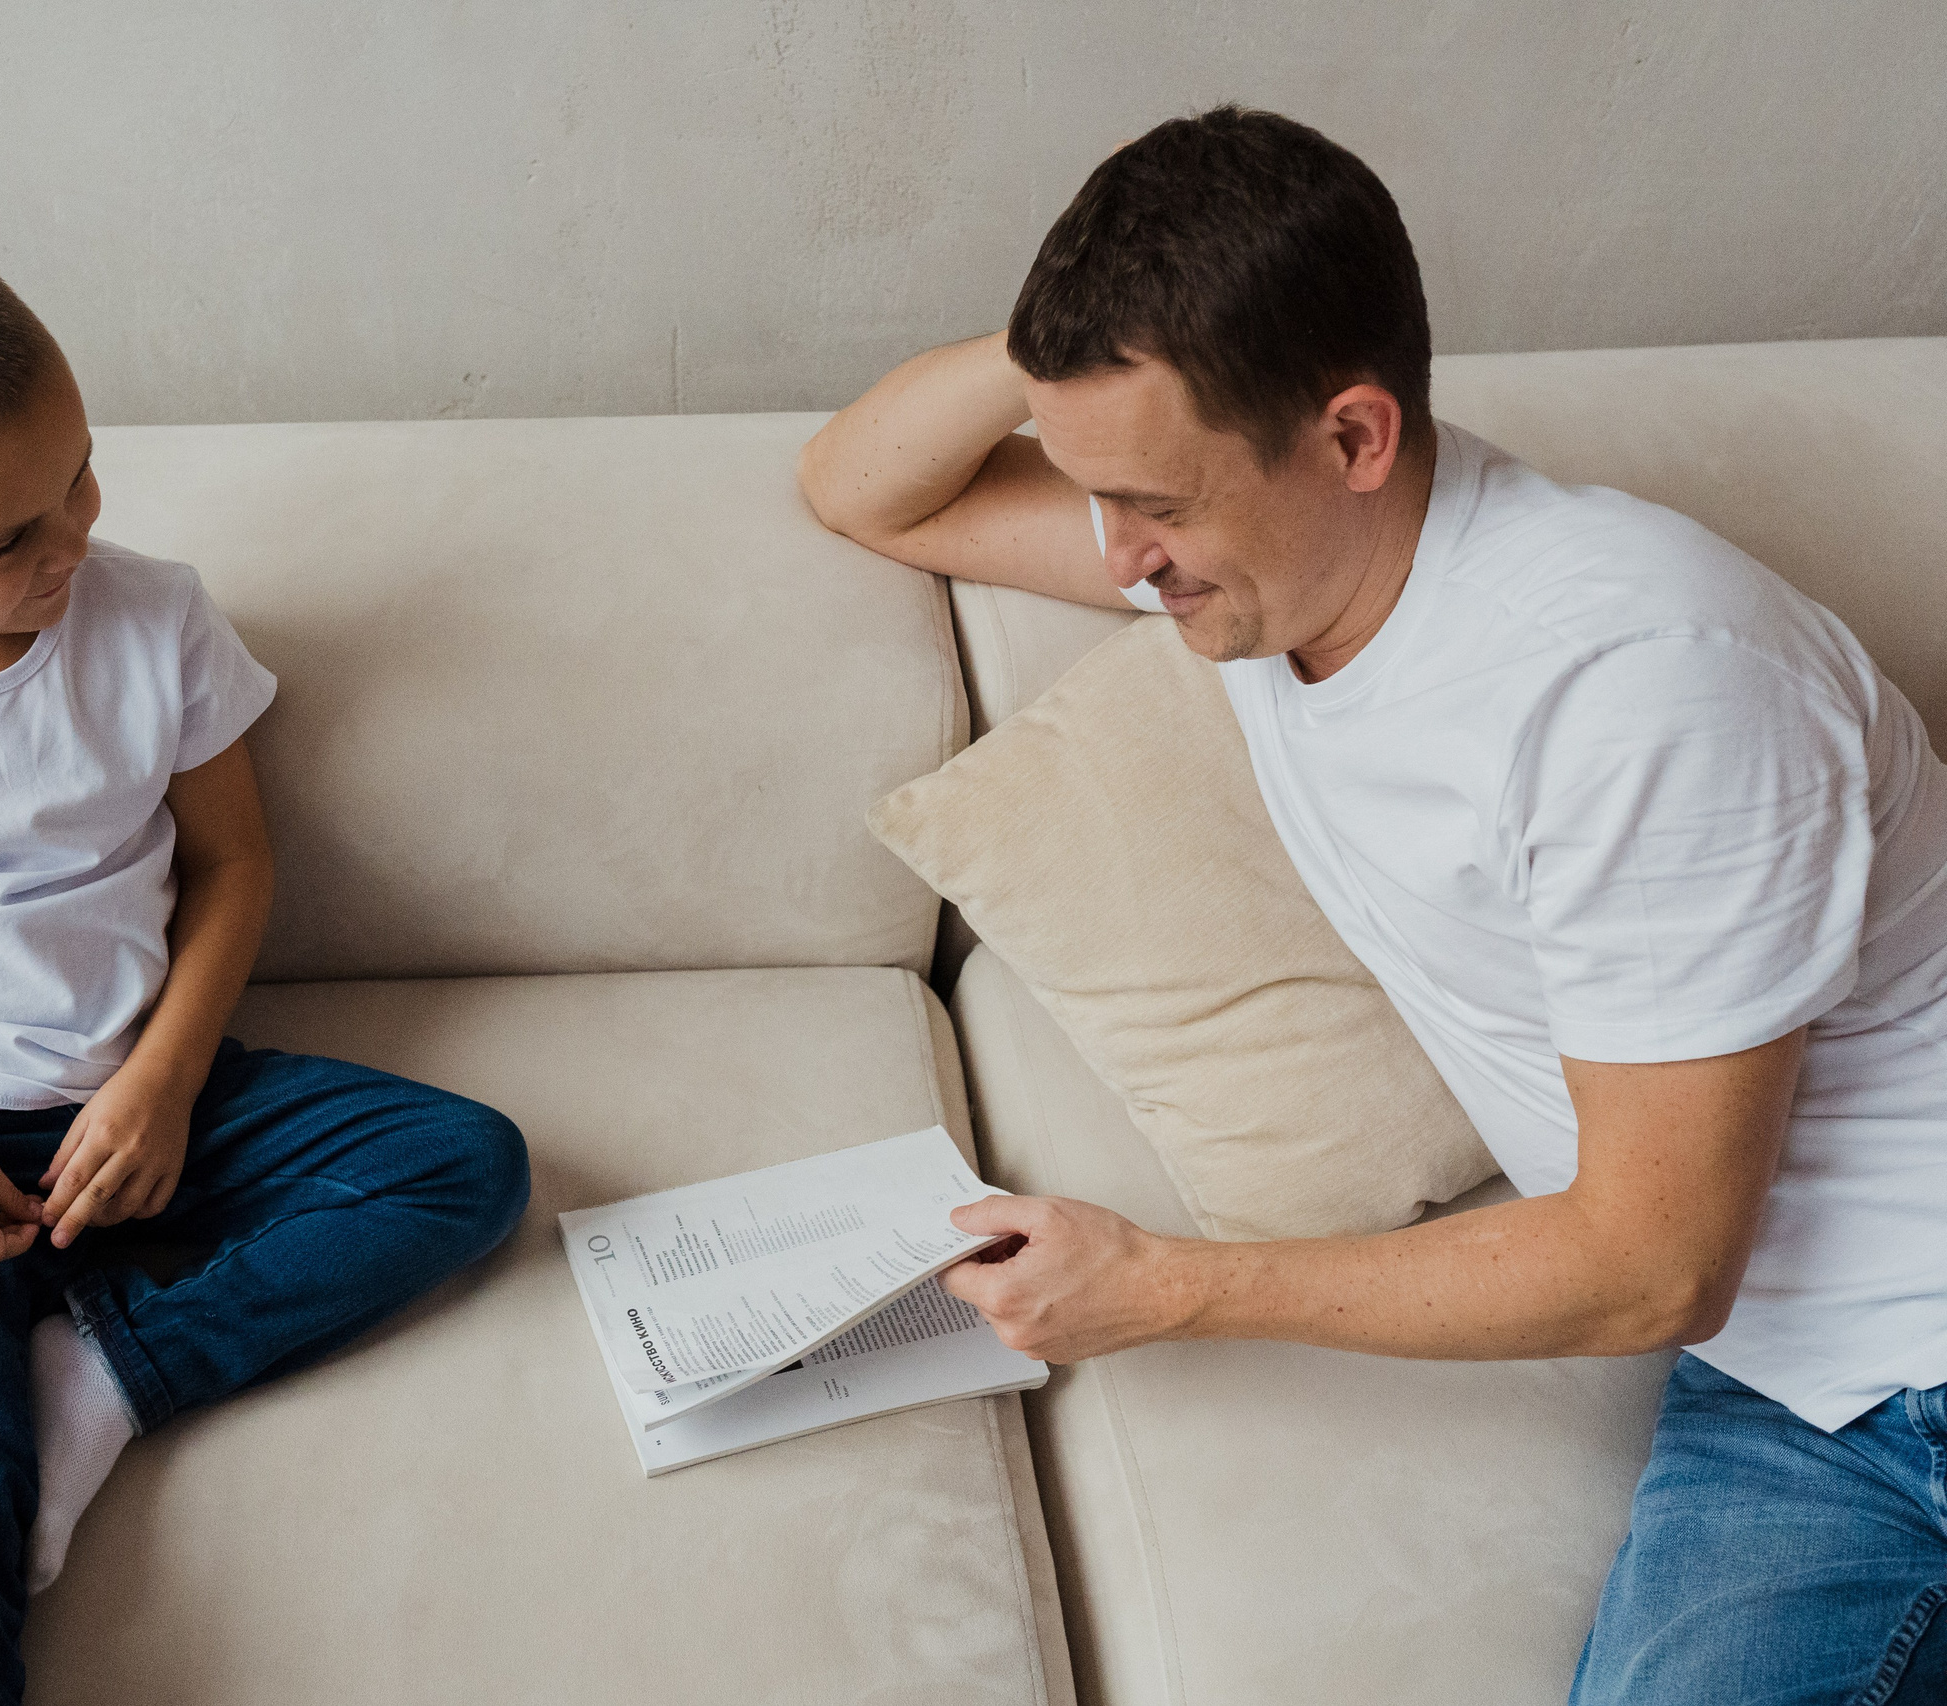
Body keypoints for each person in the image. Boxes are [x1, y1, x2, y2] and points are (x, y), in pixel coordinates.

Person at [800, 107, 1947, 1705]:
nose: (1121, 559)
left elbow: (1651, 1265)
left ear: (1352, 437)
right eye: (1095, 492)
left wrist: (1171, 1284)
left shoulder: (1644, 693)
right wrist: (1083, 343)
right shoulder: (1275, 573)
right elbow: (865, 488)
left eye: (1158, 503)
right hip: (1793, 1383)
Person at [0, 230, 531, 1706]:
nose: (70, 538)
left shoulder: (157, 620)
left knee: (464, 1164)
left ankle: (108, 1366)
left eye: (78, 477)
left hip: (155, 1098)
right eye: (10, 538)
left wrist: (160, 1081)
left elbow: (234, 865)